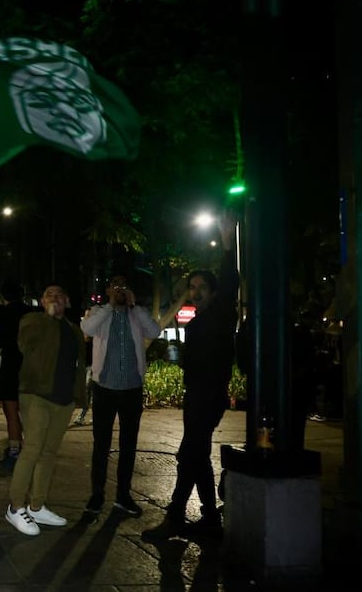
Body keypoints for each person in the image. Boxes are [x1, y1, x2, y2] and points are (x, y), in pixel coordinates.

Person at [143, 215, 239, 541]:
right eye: (192, 287)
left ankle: (176, 518)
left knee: (189, 455)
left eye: (201, 288)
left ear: (213, 293)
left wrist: (227, 244)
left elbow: (230, 283)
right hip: (195, 395)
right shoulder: (198, 321)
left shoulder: (221, 314)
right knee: (196, 455)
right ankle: (209, 519)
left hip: (209, 396)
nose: (194, 292)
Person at [3, 284, 86, 535]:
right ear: (41, 301)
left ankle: (37, 506)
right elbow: (24, 343)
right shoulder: (33, 320)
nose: (55, 299)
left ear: (68, 301)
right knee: (32, 449)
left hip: (64, 400)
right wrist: (47, 317)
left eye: (60, 295)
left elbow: (79, 365)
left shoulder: (74, 330)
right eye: (49, 295)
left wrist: (78, 397)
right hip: (36, 395)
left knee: (49, 453)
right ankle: (16, 507)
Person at [80, 274, 161, 516]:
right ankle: (97, 495)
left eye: (124, 286)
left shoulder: (136, 314)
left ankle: (123, 496)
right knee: (101, 444)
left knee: (129, 445)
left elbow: (154, 331)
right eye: (115, 286)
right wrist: (110, 306)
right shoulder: (99, 312)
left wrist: (135, 306)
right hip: (104, 387)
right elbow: (87, 329)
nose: (120, 290)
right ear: (107, 290)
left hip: (132, 388)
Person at [0, 281, 31, 471]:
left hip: (11, 365)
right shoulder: (32, 313)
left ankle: (14, 452)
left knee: (11, 411)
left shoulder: (5, 313)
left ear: (3, 297)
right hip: (31, 366)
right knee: (28, 411)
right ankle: (29, 450)